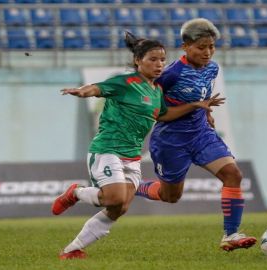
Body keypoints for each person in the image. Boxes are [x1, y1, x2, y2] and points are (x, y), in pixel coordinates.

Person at [51, 31, 225, 260]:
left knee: (119, 208)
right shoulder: (126, 82)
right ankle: (75, 193)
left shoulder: (155, 91)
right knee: (114, 198)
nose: (159, 64)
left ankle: (72, 250)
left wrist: (196, 105)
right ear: (137, 61)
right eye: (153, 59)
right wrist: (83, 91)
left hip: (132, 157)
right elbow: (98, 88)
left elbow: (164, 114)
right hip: (108, 149)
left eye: (162, 59)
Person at [135, 18, 257, 252]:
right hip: (171, 140)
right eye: (201, 47)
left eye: (211, 47)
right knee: (170, 196)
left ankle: (231, 234)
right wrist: (195, 105)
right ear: (185, 47)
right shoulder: (169, 75)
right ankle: (130, 186)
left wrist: (206, 113)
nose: (208, 52)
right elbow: (159, 115)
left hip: (201, 134)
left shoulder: (212, 68)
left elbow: (202, 96)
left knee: (233, 174)